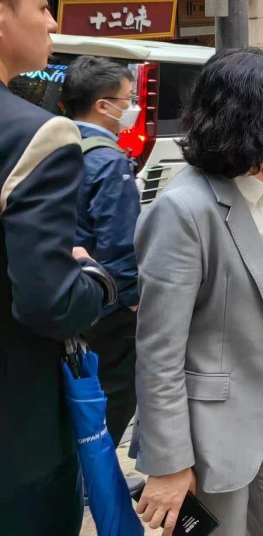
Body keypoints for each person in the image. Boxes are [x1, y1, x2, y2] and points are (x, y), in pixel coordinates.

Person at [132, 49, 263, 535]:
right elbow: (159, 351)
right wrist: (169, 462)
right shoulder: (184, 209)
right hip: (208, 423)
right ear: (250, 112)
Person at [0, 0, 116, 535]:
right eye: (42, 4)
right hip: (17, 439)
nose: (51, 21)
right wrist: (92, 277)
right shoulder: (36, 135)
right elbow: (50, 301)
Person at [63, 55, 143, 447]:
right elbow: (120, 242)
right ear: (103, 105)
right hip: (107, 302)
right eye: (128, 100)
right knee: (114, 391)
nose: (132, 108)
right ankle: (99, 477)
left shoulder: (57, 147)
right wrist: (132, 302)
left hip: (67, 292)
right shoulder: (108, 161)